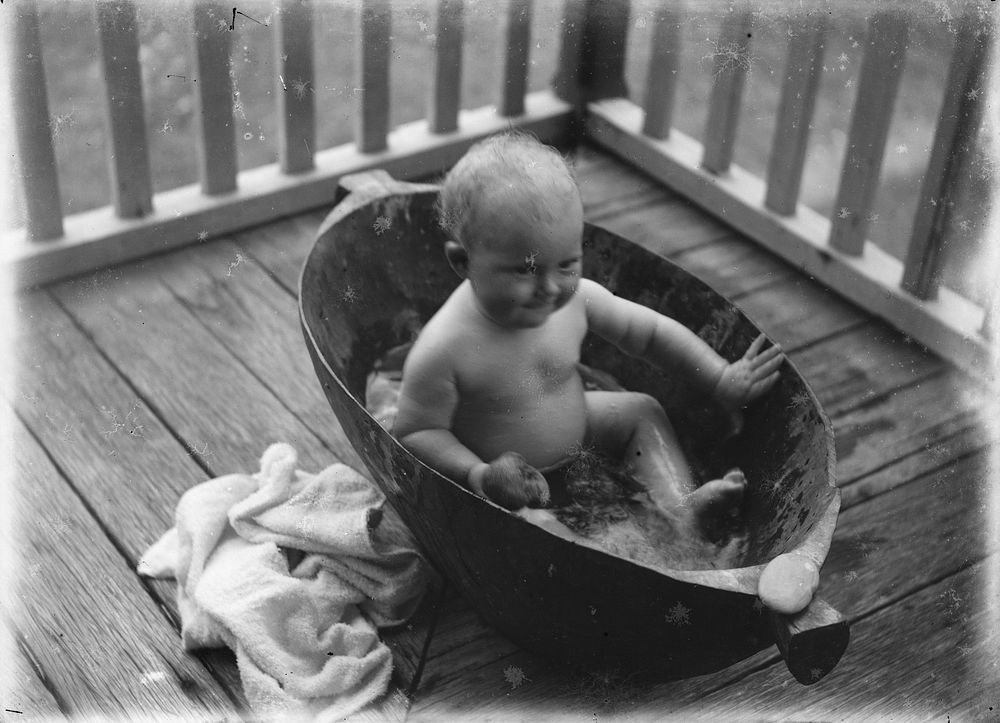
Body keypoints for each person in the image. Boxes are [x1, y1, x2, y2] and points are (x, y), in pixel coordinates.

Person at [392, 132, 783, 541]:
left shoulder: (574, 300)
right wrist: (478, 474)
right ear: (463, 262)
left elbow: (649, 334)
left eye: (567, 263)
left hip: (577, 428)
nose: (550, 287)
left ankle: (682, 509)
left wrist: (720, 378)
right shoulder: (445, 346)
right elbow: (415, 431)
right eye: (525, 270)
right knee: (531, 528)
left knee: (641, 410)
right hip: (507, 476)